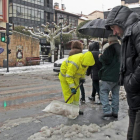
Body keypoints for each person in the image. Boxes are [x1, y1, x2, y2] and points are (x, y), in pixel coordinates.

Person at [105, 5, 140, 140]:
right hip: (135, 98)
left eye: (114, 28)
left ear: (120, 22)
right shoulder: (128, 34)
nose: (114, 32)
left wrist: (131, 83)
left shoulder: (137, 29)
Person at [59, 50, 95, 114]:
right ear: (82, 61)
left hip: (75, 77)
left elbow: (82, 71)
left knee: (77, 93)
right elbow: (69, 76)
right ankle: (69, 111)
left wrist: (82, 78)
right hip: (65, 76)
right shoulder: (74, 63)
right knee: (68, 94)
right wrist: (72, 87)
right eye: (85, 65)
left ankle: (75, 110)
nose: (86, 66)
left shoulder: (86, 62)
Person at [98, 34, 121, 118]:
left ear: (110, 41)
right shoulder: (122, 48)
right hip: (118, 76)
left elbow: (105, 60)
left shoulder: (110, 49)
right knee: (116, 94)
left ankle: (107, 111)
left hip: (108, 75)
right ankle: (115, 111)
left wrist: (101, 56)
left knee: (103, 92)